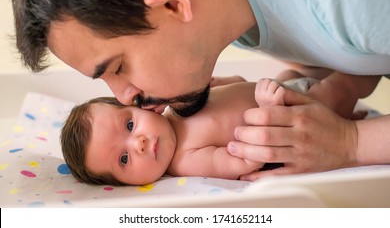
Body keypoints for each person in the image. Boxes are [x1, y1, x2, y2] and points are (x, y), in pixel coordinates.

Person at [12, 0, 390, 178]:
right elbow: (330, 49)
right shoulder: (236, 18)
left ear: (171, 5)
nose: (127, 98)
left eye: (117, 67)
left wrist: (350, 143)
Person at [61, 73, 376, 186]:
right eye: (125, 160)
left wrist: (227, 83)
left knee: (294, 70)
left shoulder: (176, 104)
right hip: (300, 113)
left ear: (139, 106)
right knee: (339, 88)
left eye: (129, 125)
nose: (139, 143)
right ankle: (367, 70)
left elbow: (234, 89)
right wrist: (271, 111)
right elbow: (248, 158)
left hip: (281, 85)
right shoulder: (186, 159)